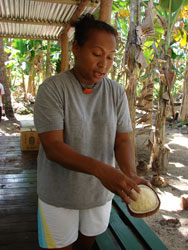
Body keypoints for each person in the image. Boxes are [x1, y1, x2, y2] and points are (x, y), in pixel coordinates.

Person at [34, 14, 150, 250]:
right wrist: (102, 170)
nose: (104, 64)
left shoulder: (116, 92)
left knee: (87, 244)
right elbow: (53, 148)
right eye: (97, 54)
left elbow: (123, 140)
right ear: (76, 48)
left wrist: (129, 174)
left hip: (99, 194)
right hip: (59, 195)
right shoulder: (53, 89)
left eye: (110, 57)